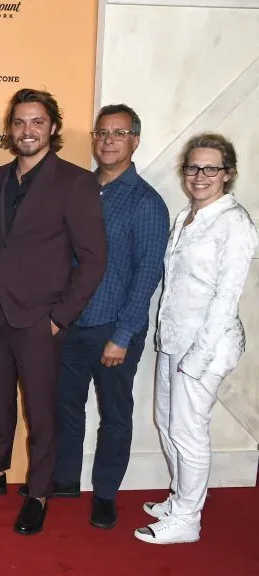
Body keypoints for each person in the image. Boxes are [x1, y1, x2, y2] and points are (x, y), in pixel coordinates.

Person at [0, 88, 107, 536]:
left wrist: (60, 317)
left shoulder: (76, 182)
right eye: (19, 122)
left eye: (37, 122)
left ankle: (38, 492)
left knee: (41, 411)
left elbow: (94, 259)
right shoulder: (0, 176)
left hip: (41, 318)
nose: (27, 130)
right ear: (10, 129)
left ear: (53, 128)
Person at [41, 104, 168, 529]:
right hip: (70, 324)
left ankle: (106, 494)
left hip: (113, 328)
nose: (107, 141)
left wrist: (124, 334)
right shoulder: (78, 188)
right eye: (101, 133)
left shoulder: (146, 202)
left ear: (135, 140)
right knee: (65, 408)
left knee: (114, 415)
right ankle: (63, 481)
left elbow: (148, 271)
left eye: (118, 133)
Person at [135, 133, 257, 545]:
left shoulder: (235, 222)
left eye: (211, 168)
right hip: (174, 338)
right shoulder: (186, 216)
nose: (200, 175)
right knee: (168, 423)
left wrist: (199, 357)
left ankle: (188, 519)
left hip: (207, 345)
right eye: (193, 167)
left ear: (228, 174)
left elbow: (227, 295)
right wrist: (165, 338)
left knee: (189, 431)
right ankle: (182, 498)